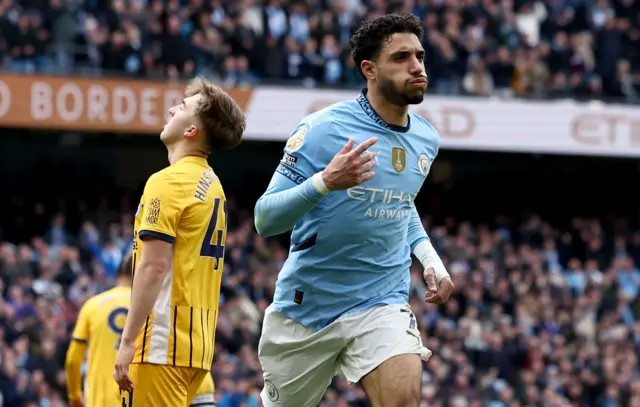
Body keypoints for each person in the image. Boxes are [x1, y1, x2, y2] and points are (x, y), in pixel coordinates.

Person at [253, 13, 455, 407]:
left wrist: (430, 258)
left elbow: (400, 203)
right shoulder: (323, 130)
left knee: (402, 399)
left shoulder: (427, 138)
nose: (416, 66)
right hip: (308, 306)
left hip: (382, 299)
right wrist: (325, 182)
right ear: (370, 70)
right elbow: (265, 219)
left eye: (419, 55)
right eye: (400, 58)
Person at [112, 77, 246, 406]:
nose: (172, 108)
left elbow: (153, 266)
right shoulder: (213, 184)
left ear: (191, 132)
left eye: (183, 107)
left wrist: (128, 340)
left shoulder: (168, 182)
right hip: (196, 349)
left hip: (160, 344)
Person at [65, 252, 133, 407]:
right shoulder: (152, 307)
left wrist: (75, 395)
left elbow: (73, 359)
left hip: (100, 398)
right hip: (137, 396)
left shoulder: (92, 305)